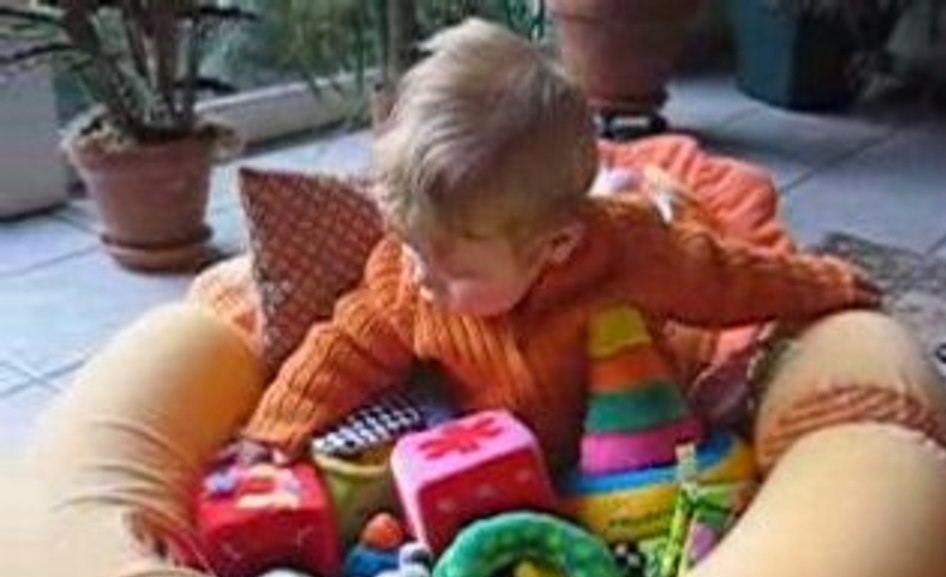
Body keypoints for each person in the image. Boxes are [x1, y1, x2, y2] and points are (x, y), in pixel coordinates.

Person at [235, 18, 878, 472]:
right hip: (499, 459)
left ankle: (652, 193)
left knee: (711, 367)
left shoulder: (625, 249)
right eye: (409, 245)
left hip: (631, 432)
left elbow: (725, 277)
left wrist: (826, 282)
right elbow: (342, 346)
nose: (420, 277)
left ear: (557, 245)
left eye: (451, 264)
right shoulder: (407, 283)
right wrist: (278, 423)